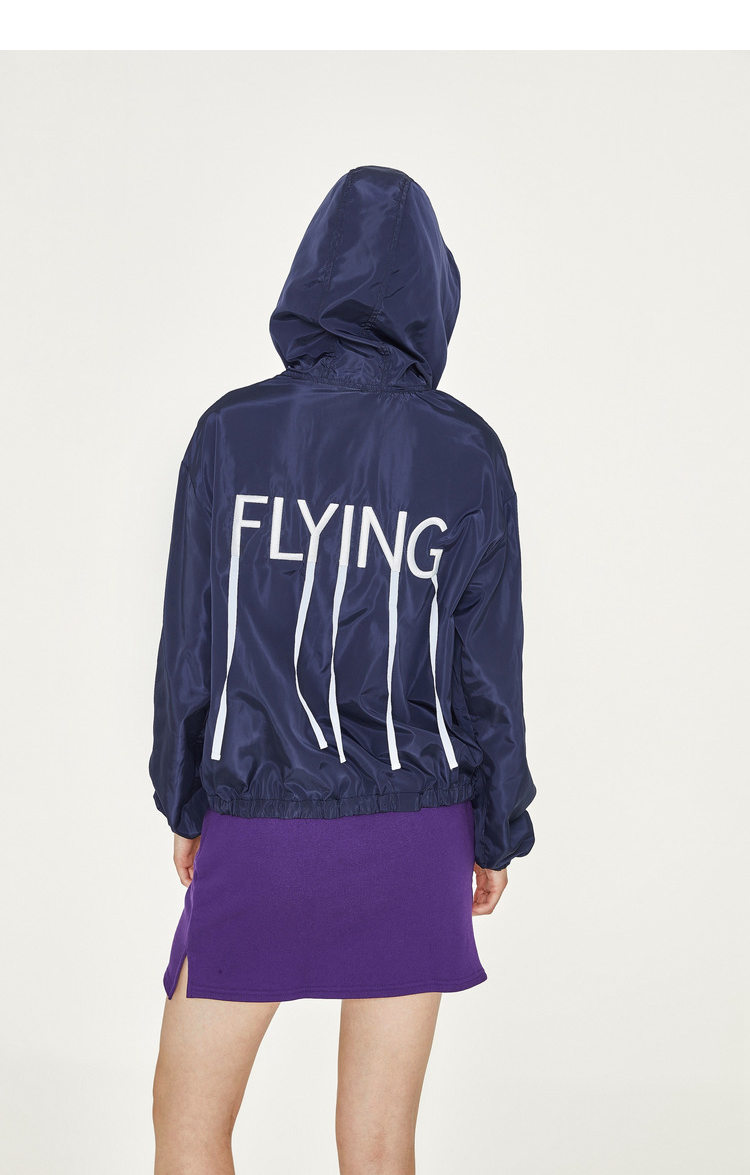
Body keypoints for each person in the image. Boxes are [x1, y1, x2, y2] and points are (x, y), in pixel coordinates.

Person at [149, 164, 537, 1175]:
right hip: (417, 827)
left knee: (187, 1127)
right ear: (435, 290)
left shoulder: (231, 433)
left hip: (262, 820)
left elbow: (191, 644)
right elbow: (488, 672)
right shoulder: (466, 450)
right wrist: (497, 826)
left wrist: (186, 799)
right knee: (378, 1142)